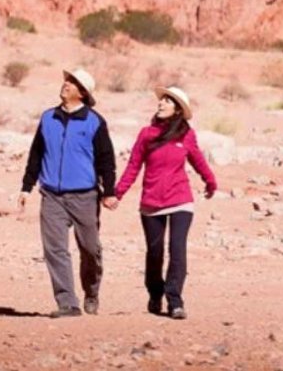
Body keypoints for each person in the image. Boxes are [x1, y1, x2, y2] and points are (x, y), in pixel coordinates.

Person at [109, 85, 218, 320]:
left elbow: (198, 160)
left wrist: (210, 182)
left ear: (178, 109)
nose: (161, 103)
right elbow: (133, 166)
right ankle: (155, 293)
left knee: (177, 250)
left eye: (168, 101)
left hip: (180, 201)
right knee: (154, 253)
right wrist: (117, 193)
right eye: (162, 100)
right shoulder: (146, 134)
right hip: (151, 202)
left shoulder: (187, 135)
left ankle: (175, 301)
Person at [19, 67, 116, 317]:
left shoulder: (94, 121)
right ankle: (68, 303)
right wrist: (26, 187)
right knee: (54, 249)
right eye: (67, 80)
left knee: (90, 250)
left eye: (73, 83)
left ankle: (91, 292)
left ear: (82, 93)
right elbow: (36, 153)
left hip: (85, 196)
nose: (66, 84)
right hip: (51, 195)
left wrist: (109, 192)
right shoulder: (47, 118)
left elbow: (106, 160)